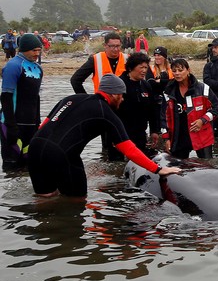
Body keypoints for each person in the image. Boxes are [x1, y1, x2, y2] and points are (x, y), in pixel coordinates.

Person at [27, 74, 181, 197]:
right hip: (63, 155)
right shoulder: (106, 113)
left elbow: (43, 126)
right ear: (113, 94)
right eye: (121, 95)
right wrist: (157, 169)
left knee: (45, 198)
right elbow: (129, 150)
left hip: (35, 147)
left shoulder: (70, 99)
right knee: (76, 201)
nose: (123, 99)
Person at [1, 33, 43, 170]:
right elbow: (6, 97)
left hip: (30, 124)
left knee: (28, 165)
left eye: (39, 50)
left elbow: (35, 97)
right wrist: (11, 126)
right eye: (34, 50)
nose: (37, 53)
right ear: (24, 49)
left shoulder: (38, 68)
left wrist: (37, 122)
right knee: (11, 165)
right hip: (13, 123)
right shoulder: (13, 66)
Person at [161, 58, 218, 159]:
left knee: (207, 168)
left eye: (180, 70)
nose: (177, 73)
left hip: (202, 136)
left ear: (188, 70)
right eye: (174, 71)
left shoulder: (203, 89)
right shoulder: (168, 91)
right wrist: (166, 139)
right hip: (178, 138)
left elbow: (216, 108)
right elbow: (163, 117)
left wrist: (202, 120)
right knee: (179, 170)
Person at [114, 52, 161, 159]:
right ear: (130, 68)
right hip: (120, 134)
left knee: (140, 162)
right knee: (117, 164)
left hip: (140, 134)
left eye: (146, 67)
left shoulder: (145, 85)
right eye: (141, 67)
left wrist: (154, 130)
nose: (144, 71)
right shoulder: (119, 84)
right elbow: (110, 111)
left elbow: (153, 110)